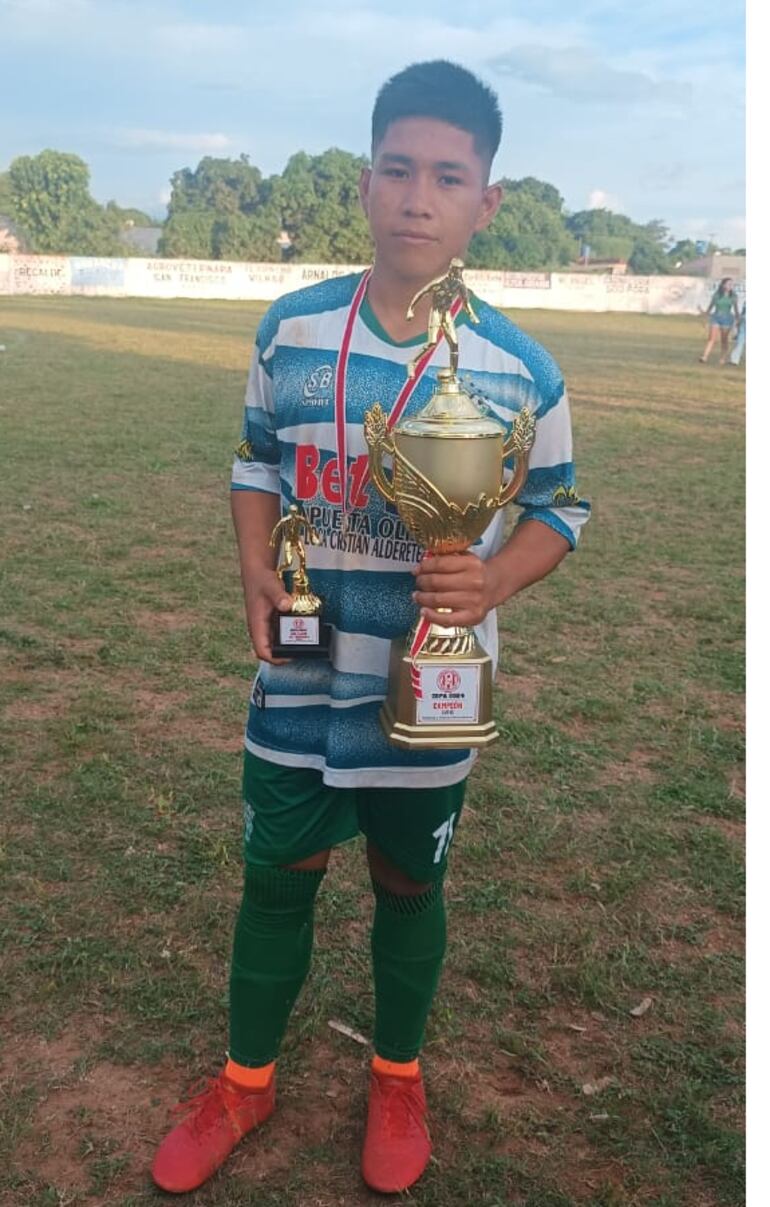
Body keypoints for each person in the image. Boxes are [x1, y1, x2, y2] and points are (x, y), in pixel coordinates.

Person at [151, 59, 591, 1196]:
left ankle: (395, 1071)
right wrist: (254, 561)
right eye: (397, 168)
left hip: (428, 686)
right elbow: (254, 457)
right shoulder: (291, 326)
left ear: (484, 201)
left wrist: (490, 588)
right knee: (276, 873)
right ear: (363, 182)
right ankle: (247, 1077)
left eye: (447, 176)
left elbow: (558, 509)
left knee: (409, 883)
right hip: (300, 672)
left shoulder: (519, 368)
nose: (416, 195)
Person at [700, 277, 740, 364]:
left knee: (724, 339)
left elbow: (736, 310)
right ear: (723, 285)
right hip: (716, 317)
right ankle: (704, 357)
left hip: (727, 318)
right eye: (729, 284)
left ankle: (722, 358)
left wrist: (737, 321)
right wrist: (705, 315)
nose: (731, 286)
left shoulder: (733, 296)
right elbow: (710, 307)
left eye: (732, 284)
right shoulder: (717, 295)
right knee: (711, 338)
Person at [729, 300, 746, 367]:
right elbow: (743, 311)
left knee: (740, 341)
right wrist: (738, 320)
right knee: (740, 341)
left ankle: (734, 360)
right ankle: (734, 360)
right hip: (744, 321)